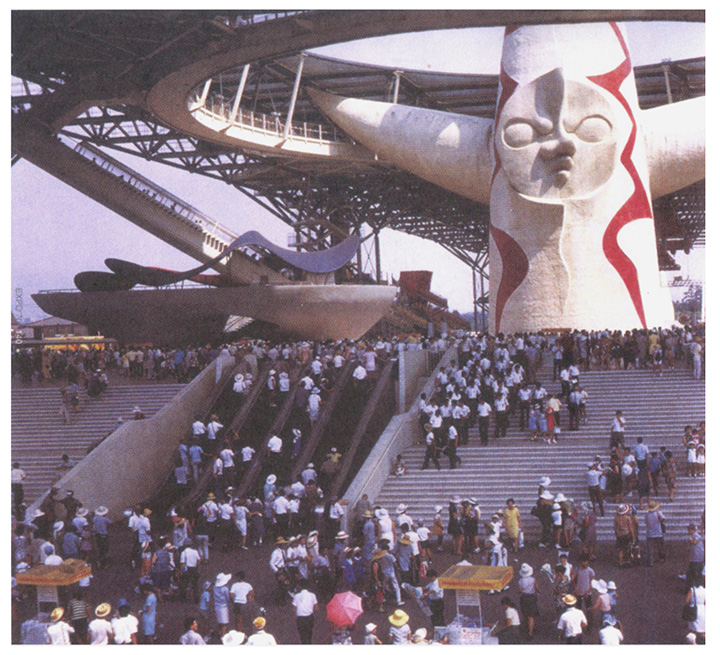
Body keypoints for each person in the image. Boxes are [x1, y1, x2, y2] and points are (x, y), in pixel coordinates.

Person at [292, 579, 318, 644]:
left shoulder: (296, 596)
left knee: (302, 636)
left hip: (300, 619)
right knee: (309, 634)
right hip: (309, 617)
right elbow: (316, 608)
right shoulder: (312, 595)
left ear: (300, 586)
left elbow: (294, 609)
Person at [517, 563, 539, 639]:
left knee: (525, 614)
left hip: (524, 598)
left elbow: (519, 591)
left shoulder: (520, 581)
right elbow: (538, 588)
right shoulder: (533, 580)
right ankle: (530, 632)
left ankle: (526, 627)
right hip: (532, 597)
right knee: (531, 616)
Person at [645, 500, 666, 566]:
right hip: (658, 532)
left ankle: (651, 561)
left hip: (650, 533)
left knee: (650, 548)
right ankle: (661, 557)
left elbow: (646, 522)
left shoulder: (647, 514)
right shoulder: (658, 512)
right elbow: (663, 518)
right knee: (660, 546)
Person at [685, 574, 705, 644]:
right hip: (703, 611)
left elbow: (687, 601)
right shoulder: (705, 591)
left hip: (693, 611)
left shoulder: (692, 590)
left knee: (692, 631)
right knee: (702, 631)